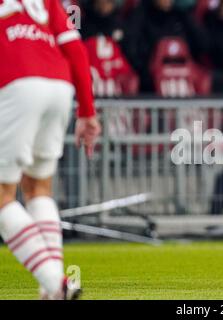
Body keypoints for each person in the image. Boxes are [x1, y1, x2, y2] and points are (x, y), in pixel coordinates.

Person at [0, 0, 101, 299]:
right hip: (59, 85)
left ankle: (56, 283)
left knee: (3, 195)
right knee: (38, 187)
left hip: (19, 83)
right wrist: (87, 110)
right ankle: (51, 287)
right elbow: (75, 48)